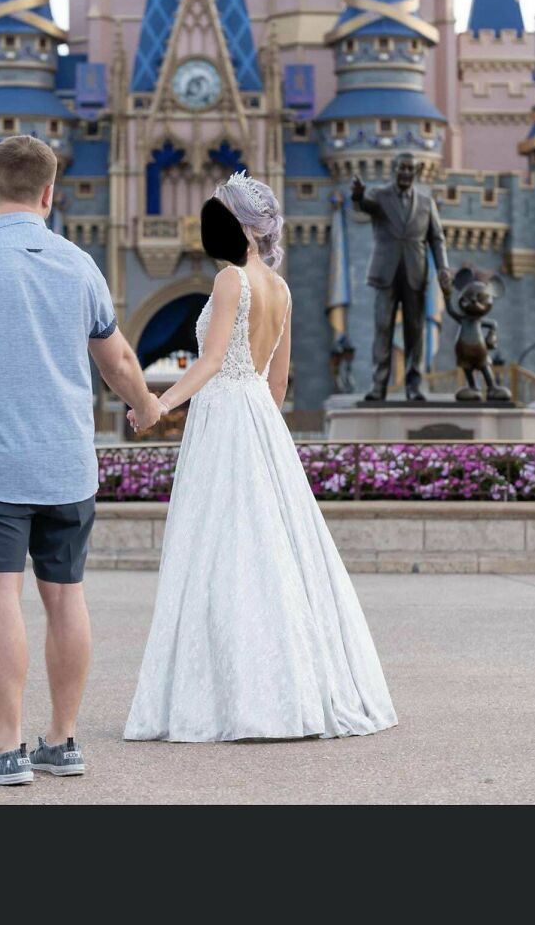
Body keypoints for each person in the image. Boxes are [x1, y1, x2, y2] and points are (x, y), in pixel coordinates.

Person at [124, 171, 397, 745]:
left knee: (220, 550)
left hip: (225, 415)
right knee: (272, 549)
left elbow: (209, 361)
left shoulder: (231, 279)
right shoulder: (282, 289)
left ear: (242, 226)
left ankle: (231, 697)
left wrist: (157, 404)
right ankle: (288, 690)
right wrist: (262, 434)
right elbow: (278, 381)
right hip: (259, 420)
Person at [0, 135, 161, 785]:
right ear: (50, 194)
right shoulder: (81, 266)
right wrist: (145, 406)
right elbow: (117, 359)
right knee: (66, 597)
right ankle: (61, 741)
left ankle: (6, 749)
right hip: (67, 466)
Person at [351, 154, 452, 404]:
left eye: (410, 169)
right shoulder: (380, 196)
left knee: (415, 333)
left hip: (415, 274)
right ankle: (378, 386)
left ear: (416, 172)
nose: (406, 173)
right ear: (394, 169)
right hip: (386, 274)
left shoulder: (426, 203)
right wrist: (358, 195)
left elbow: (436, 239)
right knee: (382, 329)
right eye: (402, 168)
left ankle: (414, 387)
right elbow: (364, 206)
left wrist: (443, 268)